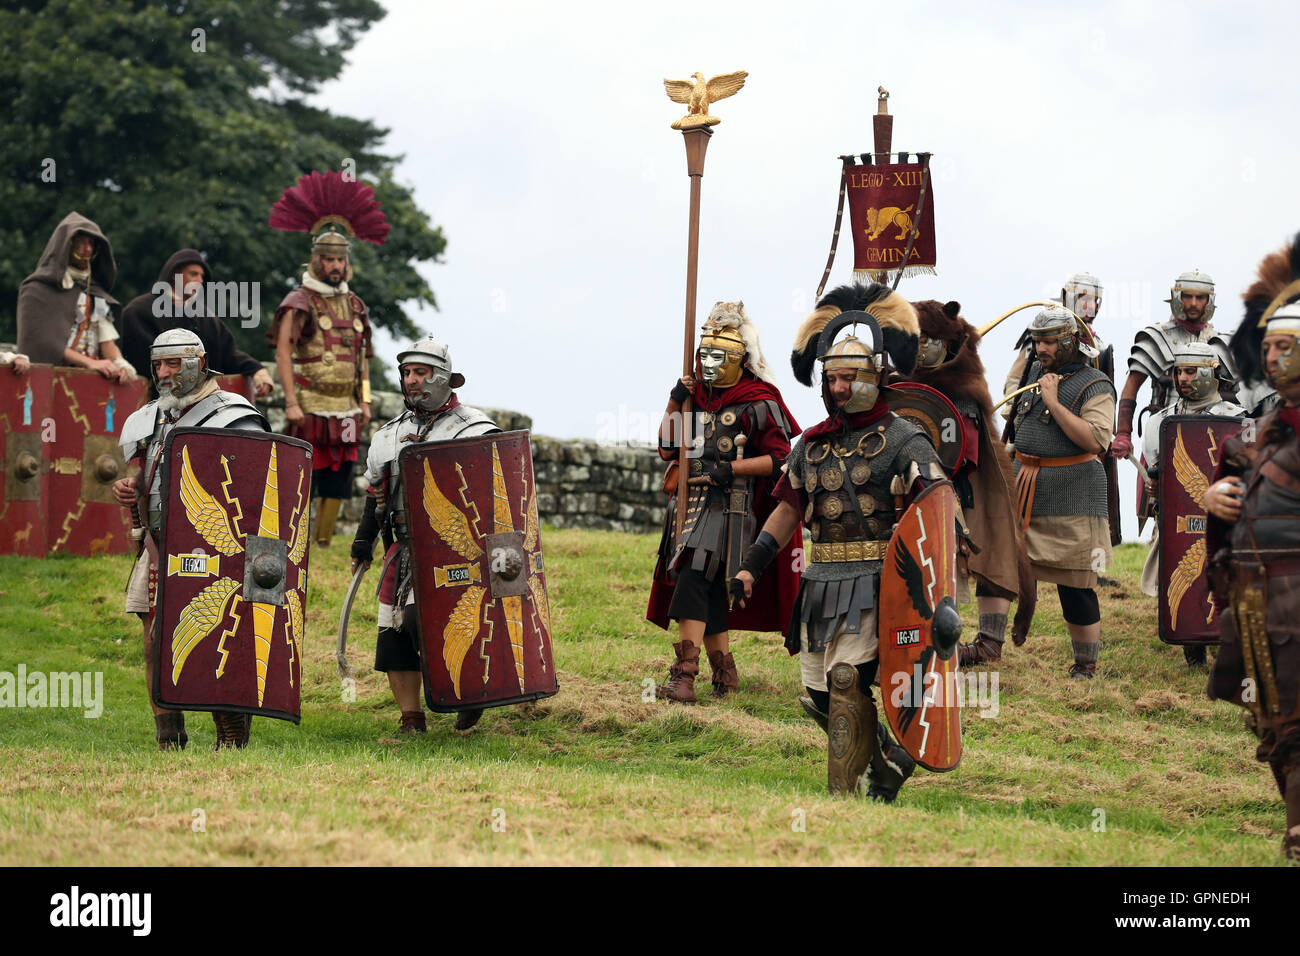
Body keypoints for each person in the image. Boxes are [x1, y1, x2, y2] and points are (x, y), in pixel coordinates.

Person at [733, 282, 942, 801]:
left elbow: (937, 507)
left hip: (879, 584)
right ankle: (887, 764)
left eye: (850, 377)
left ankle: (845, 793)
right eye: (832, 378)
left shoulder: (903, 438)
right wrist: (751, 567)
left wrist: (938, 581)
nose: (840, 387)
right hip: (821, 582)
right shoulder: (812, 444)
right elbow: (787, 508)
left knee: (848, 680)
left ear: (875, 376)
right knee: (819, 694)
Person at [112, 329, 268, 750]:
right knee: (154, 640)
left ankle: (231, 731)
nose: (163, 374)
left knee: (220, 637)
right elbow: (148, 476)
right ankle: (169, 735)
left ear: (198, 361)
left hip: (219, 548)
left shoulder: (235, 416)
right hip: (161, 543)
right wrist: (132, 487)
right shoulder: (152, 417)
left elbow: (256, 488)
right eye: (158, 364)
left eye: (173, 364)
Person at [646, 302, 801, 703]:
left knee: (694, 575)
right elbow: (667, 448)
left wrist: (733, 469)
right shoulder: (693, 397)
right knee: (706, 588)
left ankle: (683, 676)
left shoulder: (758, 400)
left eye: (720, 355)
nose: (710, 363)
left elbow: (781, 459)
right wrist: (673, 400)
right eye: (705, 354)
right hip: (687, 501)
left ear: (740, 358)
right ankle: (725, 676)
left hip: (730, 507)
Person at [350, 334, 498, 734]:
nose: (411, 379)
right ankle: (411, 719)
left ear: (444, 377)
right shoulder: (388, 436)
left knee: (431, 621)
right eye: (406, 372)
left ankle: (468, 694)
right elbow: (376, 495)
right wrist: (363, 542)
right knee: (393, 631)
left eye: (421, 371)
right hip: (403, 546)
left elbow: (495, 496)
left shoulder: (474, 430)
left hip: (457, 551)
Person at [1205, 238, 1300, 859]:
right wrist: (1216, 499)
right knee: (1274, 727)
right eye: (1267, 346)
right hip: (1261, 607)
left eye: (1285, 345)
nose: (1271, 357)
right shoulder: (1266, 431)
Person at [902, 300, 1030, 665]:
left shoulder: (964, 388)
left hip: (953, 496)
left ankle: (954, 647)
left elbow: (960, 454)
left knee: (949, 568)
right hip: (898, 495)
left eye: (926, 337)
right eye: (913, 337)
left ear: (947, 342)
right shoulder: (897, 384)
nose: (919, 345)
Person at [269, 170, 388, 547]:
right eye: (329, 259)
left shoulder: (355, 305)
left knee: (341, 472)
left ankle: (322, 542)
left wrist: (365, 399)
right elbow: (283, 351)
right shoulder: (300, 301)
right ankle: (294, 539)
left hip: (347, 407)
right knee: (305, 471)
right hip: (308, 404)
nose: (335, 266)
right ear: (317, 260)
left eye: (341, 259)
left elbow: (362, 357)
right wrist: (290, 401)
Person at [1005, 306, 1116, 678]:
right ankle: (989, 643)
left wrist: (1053, 402)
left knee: (1076, 584)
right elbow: (1010, 407)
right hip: (1024, 490)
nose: (1041, 348)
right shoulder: (1033, 372)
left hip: (1074, 494)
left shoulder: (1095, 384)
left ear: (1070, 341)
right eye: (1037, 340)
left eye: (1049, 340)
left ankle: (1085, 664)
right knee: (1001, 570)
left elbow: (1096, 440)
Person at [1138, 342, 1245, 666]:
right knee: (1188, 579)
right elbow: (1160, 477)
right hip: (1180, 523)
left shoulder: (1239, 420)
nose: (1183, 378)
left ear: (1211, 374)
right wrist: (1155, 486)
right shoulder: (1161, 422)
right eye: (1179, 371)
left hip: (1227, 522)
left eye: (1191, 371)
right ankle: (1192, 646)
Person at [1112, 269, 1235, 463]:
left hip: (1210, 441)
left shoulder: (1219, 344)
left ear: (1209, 300)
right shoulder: (1157, 337)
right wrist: (1123, 433)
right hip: (1162, 437)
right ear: (1176, 297)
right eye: (1187, 296)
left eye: (1200, 297)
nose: (1194, 303)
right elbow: (1131, 387)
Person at [120, 248, 274, 397]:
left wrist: (257, 370)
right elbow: (150, 363)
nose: (200, 281)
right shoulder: (139, 311)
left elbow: (229, 354)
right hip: (154, 406)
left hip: (202, 408)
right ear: (175, 274)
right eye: (194, 274)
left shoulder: (205, 316)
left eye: (202, 276)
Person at [17, 211, 132, 381]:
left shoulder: (94, 292)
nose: (88, 249)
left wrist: (120, 364)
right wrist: (88, 362)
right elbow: (40, 341)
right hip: (53, 379)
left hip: (91, 379)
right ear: (66, 245)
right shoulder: (37, 289)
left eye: (91, 243)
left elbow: (106, 340)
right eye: (82, 243)